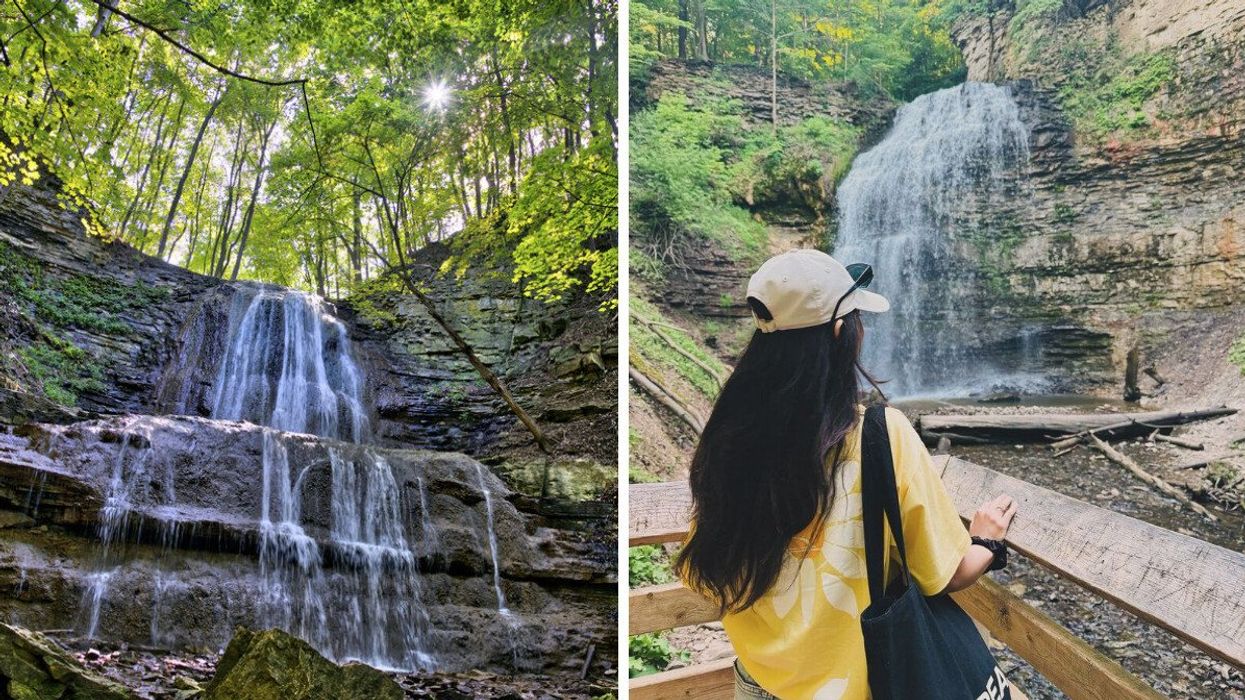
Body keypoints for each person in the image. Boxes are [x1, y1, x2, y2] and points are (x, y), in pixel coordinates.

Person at [674, 250, 1018, 700]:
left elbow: (704, 572)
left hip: (758, 683)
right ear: (840, 334)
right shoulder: (880, 436)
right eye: (856, 318)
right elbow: (946, 575)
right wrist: (986, 542)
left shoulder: (725, 442)